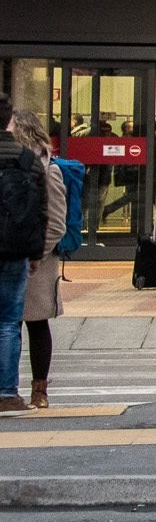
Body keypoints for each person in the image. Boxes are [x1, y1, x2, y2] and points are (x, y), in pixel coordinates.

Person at [12, 110, 66, 409]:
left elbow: (56, 221)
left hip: (38, 261)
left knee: (35, 323)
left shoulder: (48, 168)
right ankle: (11, 388)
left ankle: (39, 390)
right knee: (11, 325)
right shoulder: (16, 164)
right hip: (18, 254)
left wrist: (36, 253)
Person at [0, 98, 51, 415]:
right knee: (8, 322)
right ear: (9, 123)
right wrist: (35, 253)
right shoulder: (28, 160)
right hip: (15, 250)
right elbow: (41, 212)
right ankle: (7, 394)